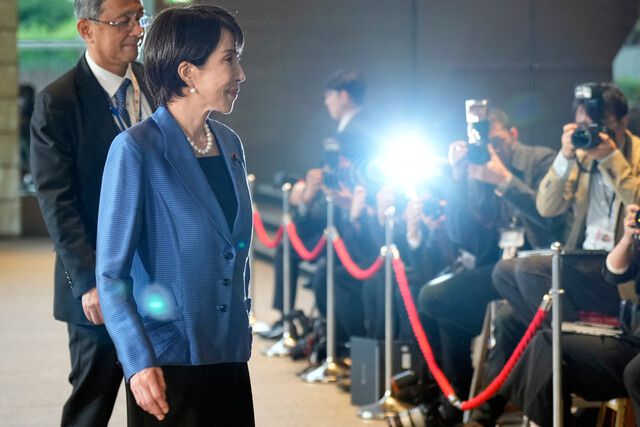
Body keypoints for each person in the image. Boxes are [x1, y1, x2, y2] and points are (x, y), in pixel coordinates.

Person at [96, 5, 253, 425]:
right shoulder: (136, 149)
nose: (240, 74)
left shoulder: (230, 144)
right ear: (188, 72)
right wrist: (138, 362)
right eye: (229, 59)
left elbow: (233, 248)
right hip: (167, 363)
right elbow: (111, 276)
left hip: (229, 355)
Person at [29, 0, 152, 424]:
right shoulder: (58, 102)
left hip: (159, 279)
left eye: (140, 17)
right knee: (92, 400)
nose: (137, 29)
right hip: (99, 284)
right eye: (124, 21)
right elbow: (57, 200)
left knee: (159, 399)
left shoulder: (157, 85)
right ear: (87, 29)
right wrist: (88, 281)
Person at [416, 108, 560, 423]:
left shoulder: (541, 161)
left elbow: (552, 220)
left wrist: (505, 181)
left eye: (497, 141)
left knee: (449, 305)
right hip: (496, 267)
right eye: (485, 145)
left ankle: (474, 405)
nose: (491, 151)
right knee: (437, 301)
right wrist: (458, 180)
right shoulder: (477, 169)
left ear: (513, 135)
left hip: (536, 268)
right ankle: (458, 399)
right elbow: (460, 235)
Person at [494, 204, 640, 427]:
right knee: (544, 342)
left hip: (631, 349)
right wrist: (628, 238)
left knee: (547, 343)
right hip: (631, 336)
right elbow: (614, 274)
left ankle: (486, 414)